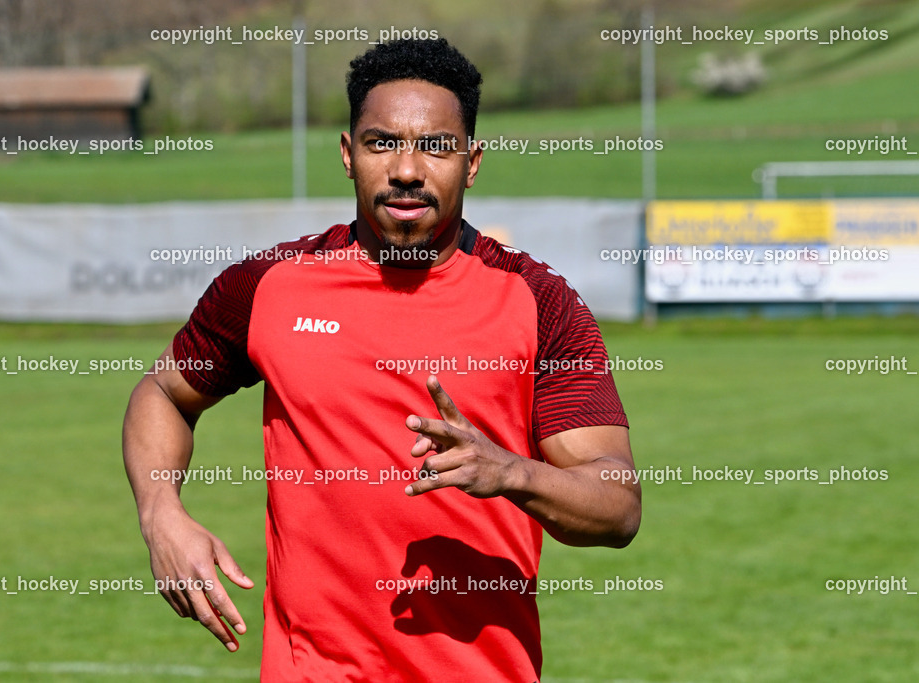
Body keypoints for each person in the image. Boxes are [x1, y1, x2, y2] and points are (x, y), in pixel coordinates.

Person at [123, 37, 641, 682]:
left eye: (436, 146)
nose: (406, 169)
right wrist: (160, 513)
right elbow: (166, 393)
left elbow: (617, 507)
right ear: (348, 154)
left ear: (472, 162)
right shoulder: (268, 285)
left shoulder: (540, 302)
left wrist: (513, 472)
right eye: (381, 143)